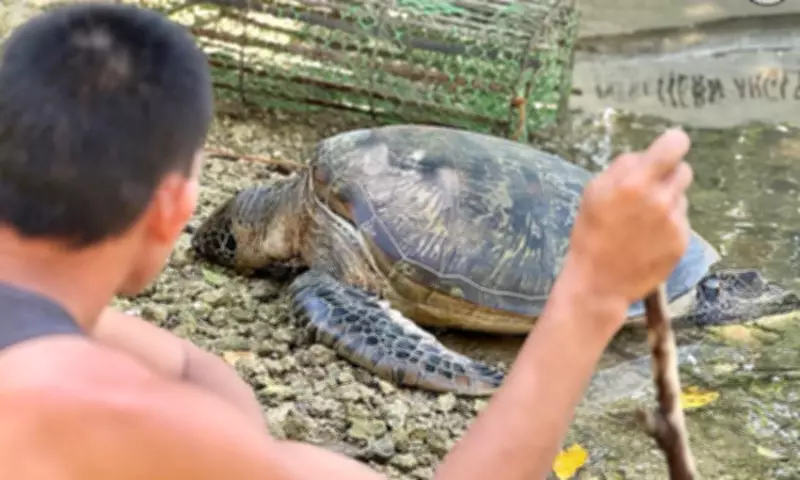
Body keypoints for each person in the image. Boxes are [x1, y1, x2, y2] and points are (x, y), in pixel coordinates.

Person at [0, 3, 694, 479]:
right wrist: (590, 294)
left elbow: (182, 367)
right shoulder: (119, 415)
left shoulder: (80, 355)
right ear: (171, 210)